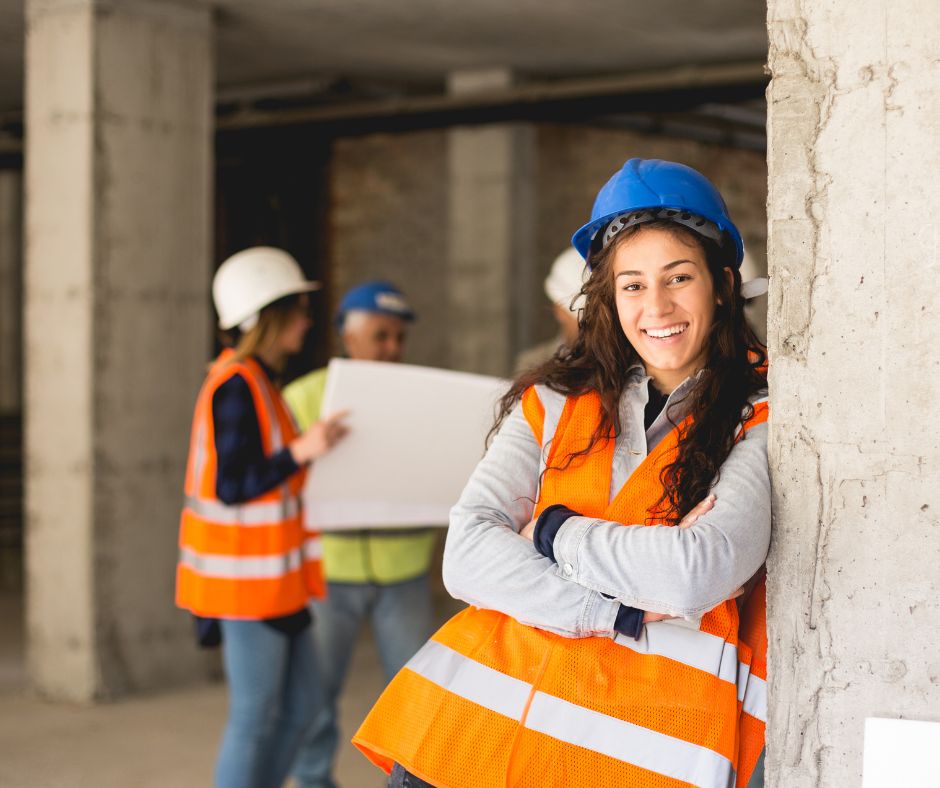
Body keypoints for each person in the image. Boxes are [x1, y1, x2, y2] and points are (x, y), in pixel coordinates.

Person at [352, 159, 770, 788]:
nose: (655, 305)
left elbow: (696, 570)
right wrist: (616, 613)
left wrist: (549, 531)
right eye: (631, 285)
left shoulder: (762, 413)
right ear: (608, 296)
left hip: (632, 756)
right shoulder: (553, 400)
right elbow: (466, 556)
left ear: (722, 282)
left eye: (678, 278)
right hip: (466, 739)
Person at [176, 246, 348, 788]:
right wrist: (303, 451)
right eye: (297, 308)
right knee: (254, 719)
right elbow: (233, 486)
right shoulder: (234, 386)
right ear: (268, 316)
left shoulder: (258, 382)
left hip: (278, 583)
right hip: (245, 588)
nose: (306, 320)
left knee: (301, 707)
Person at [285, 281, 438, 788]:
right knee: (314, 696)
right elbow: (278, 479)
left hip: (404, 570)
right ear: (348, 339)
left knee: (417, 697)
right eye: (380, 336)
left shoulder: (423, 398)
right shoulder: (303, 398)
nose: (392, 349)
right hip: (329, 573)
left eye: (398, 338)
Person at [514, 246, 588, 373]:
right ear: (559, 309)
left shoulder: (627, 367)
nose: (598, 328)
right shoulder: (532, 364)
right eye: (584, 318)